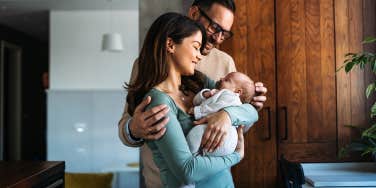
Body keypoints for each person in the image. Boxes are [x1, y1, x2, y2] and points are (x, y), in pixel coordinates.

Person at [118, 0, 268, 187]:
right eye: (215, 28)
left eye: (225, 34)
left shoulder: (218, 67)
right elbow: (126, 124)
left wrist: (231, 113)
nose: (218, 38)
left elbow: (239, 122)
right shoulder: (146, 71)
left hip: (217, 178)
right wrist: (134, 129)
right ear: (195, 13)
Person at [187, 72, 258, 156]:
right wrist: (205, 94)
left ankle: (191, 155)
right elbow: (196, 101)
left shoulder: (230, 96)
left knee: (195, 134)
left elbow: (215, 107)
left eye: (227, 80)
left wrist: (197, 111)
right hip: (228, 142)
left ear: (238, 92)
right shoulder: (219, 93)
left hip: (224, 136)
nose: (221, 78)